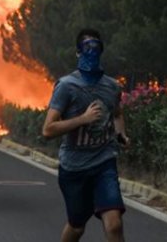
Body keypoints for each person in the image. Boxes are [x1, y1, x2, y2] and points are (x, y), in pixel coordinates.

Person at [42, 29, 128, 242]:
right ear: (78, 52)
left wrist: (121, 135)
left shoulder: (112, 86)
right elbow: (47, 129)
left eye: (95, 48)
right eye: (86, 48)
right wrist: (83, 119)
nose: (91, 53)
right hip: (74, 167)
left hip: (103, 162)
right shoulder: (66, 86)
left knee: (114, 224)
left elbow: (116, 112)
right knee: (77, 226)